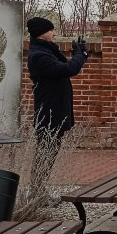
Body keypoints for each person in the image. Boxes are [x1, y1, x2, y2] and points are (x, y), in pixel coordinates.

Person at [26, 17, 88, 188]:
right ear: (41, 33)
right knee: (45, 153)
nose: (54, 33)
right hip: (49, 113)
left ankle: (39, 191)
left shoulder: (47, 51)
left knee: (49, 153)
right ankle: (36, 192)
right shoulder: (39, 56)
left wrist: (79, 55)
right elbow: (68, 69)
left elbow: (67, 67)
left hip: (55, 111)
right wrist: (79, 55)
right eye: (51, 30)